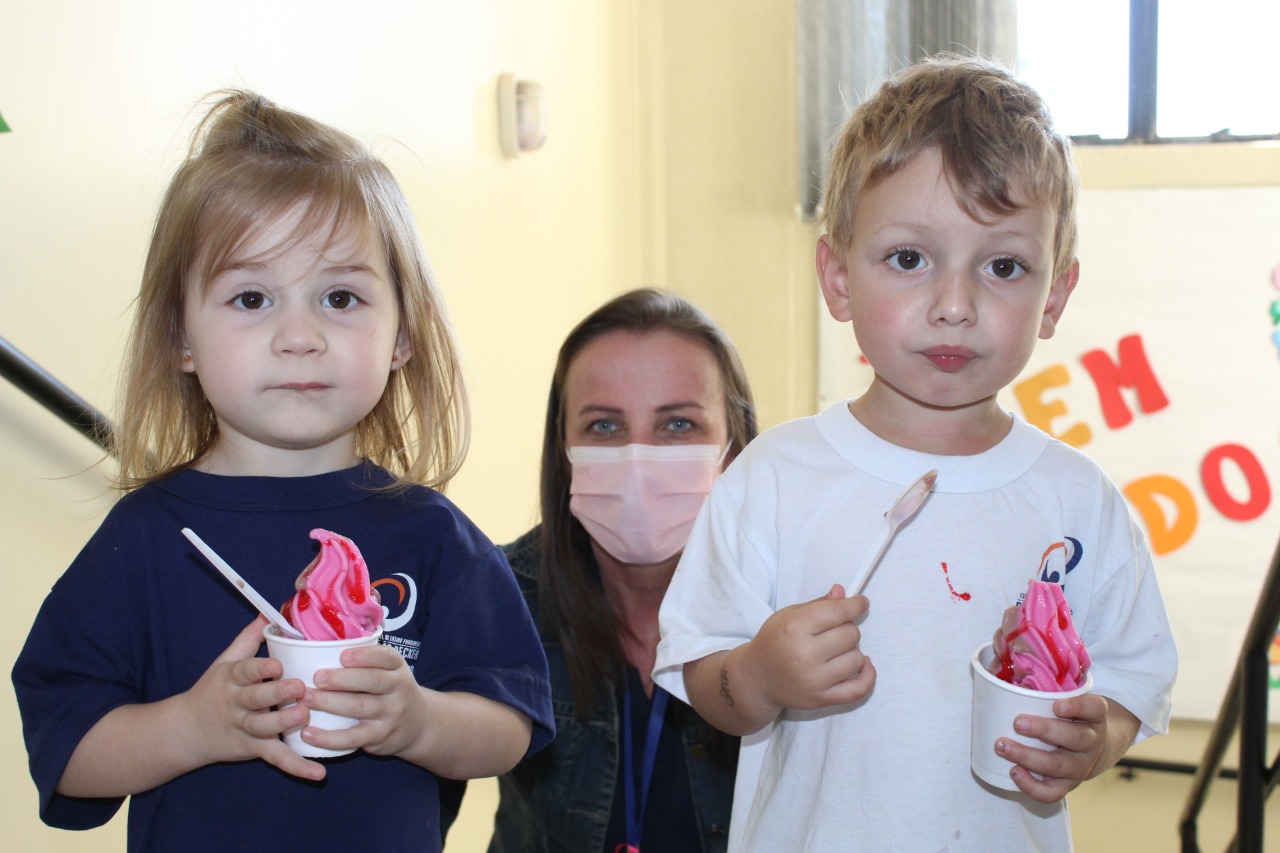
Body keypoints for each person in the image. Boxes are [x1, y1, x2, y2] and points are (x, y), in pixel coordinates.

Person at [653, 54, 1178, 852]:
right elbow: (702, 670)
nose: (954, 305)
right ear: (838, 277)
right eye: (909, 258)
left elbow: (1132, 681)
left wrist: (1094, 736)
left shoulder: (1080, 499)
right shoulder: (773, 477)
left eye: (1004, 266)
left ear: (1055, 296)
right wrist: (758, 674)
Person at [11, 90, 554, 853]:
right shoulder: (144, 538)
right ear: (181, 338)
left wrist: (417, 718)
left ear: (403, 334)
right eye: (251, 297)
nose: (300, 335)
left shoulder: (434, 534)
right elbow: (65, 752)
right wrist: (191, 727)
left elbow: (511, 727)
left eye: (340, 296)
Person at [442, 288, 754, 851]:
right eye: (605, 427)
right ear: (564, 450)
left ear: (733, 448)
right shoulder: (501, 597)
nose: (637, 458)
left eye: (678, 424)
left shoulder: (784, 609)